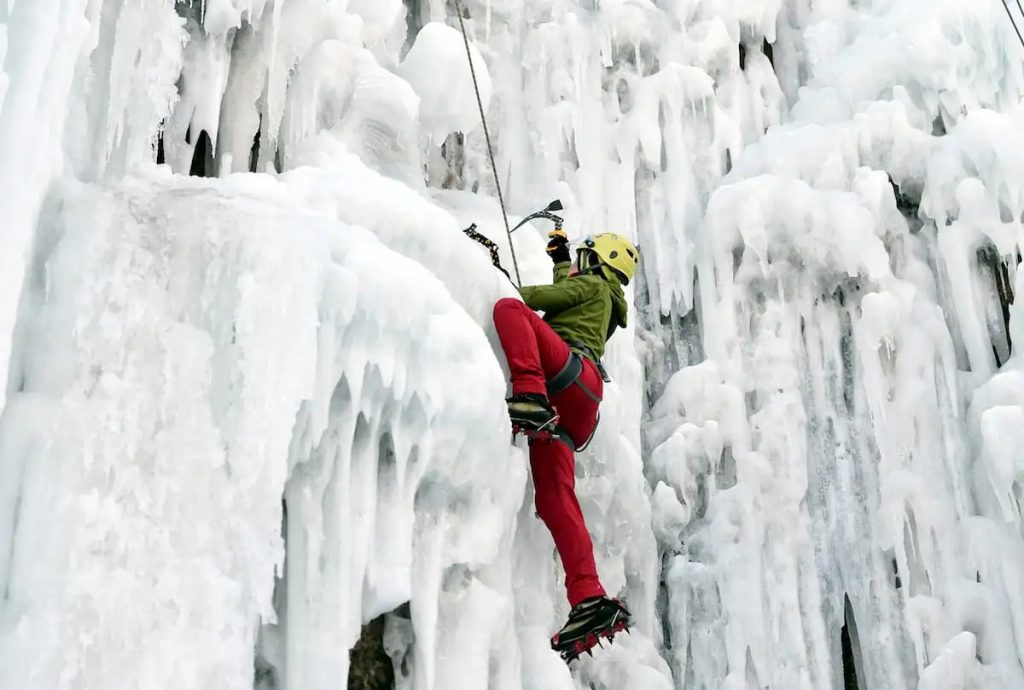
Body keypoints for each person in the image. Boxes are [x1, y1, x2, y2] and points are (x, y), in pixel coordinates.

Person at [492, 229, 639, 663]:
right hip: (579, 408)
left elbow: (537, 298)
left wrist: (495, 281)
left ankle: (529, 396)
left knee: (508, 309)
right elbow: (568, 292)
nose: (575, 264)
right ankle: (588, 596)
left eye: (580, 258)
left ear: (596, 263)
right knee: (556, 500)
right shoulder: (600, 295)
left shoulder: (592, 286)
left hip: (565, 381)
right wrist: (559, 259)